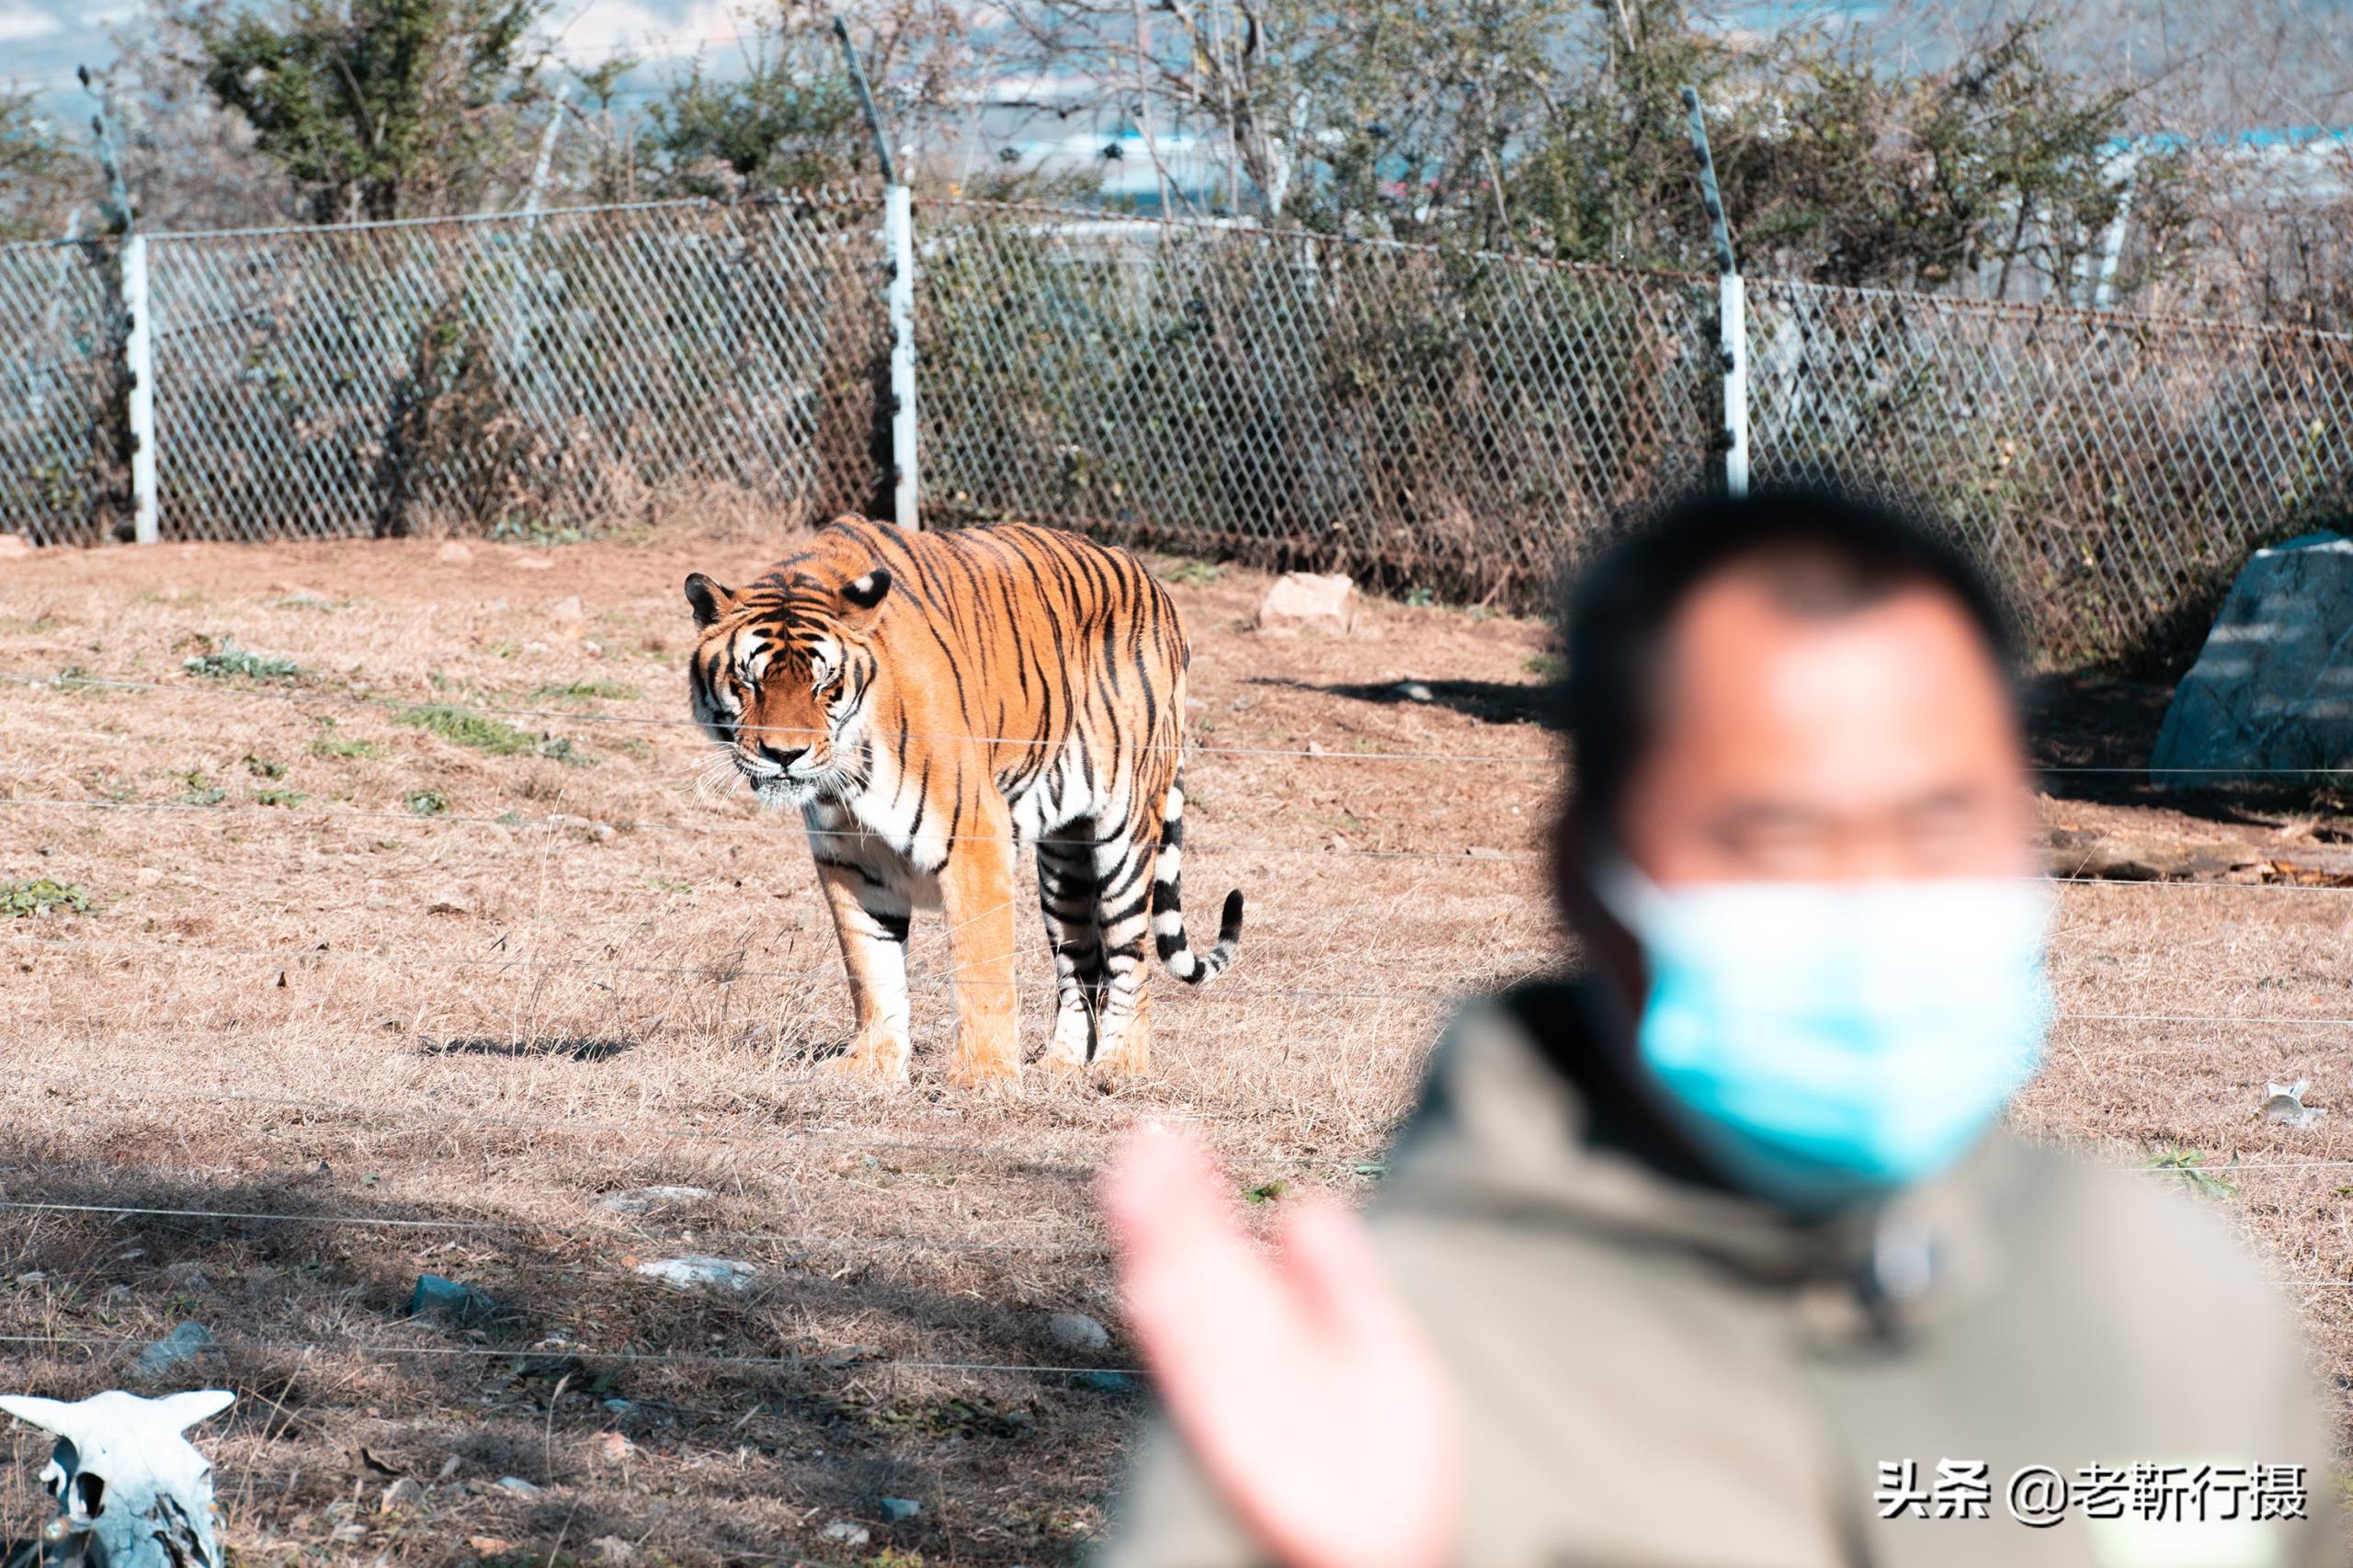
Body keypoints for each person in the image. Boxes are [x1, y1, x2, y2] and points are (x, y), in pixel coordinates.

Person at [1093, 487, 2335, 1568]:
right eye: (1775, 837)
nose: (1875, 903)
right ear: (1583, 872)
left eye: (1943, 821)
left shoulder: (2163, 1287)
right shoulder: (1372, 1381)